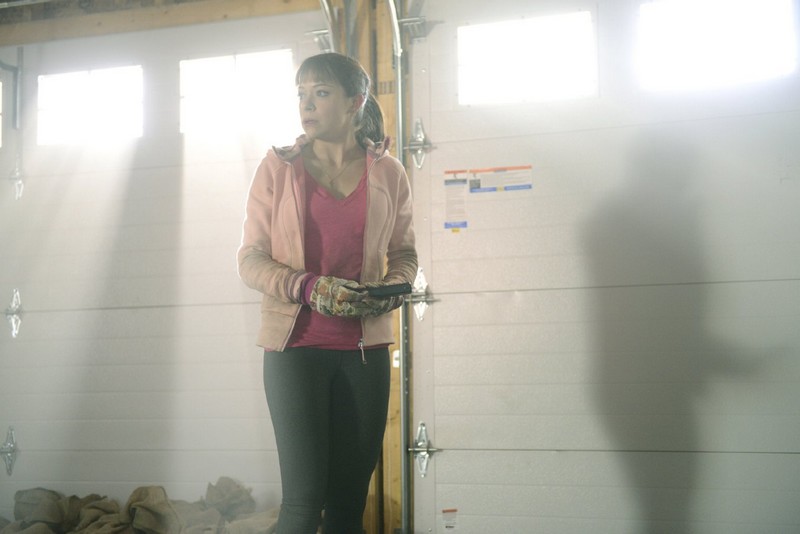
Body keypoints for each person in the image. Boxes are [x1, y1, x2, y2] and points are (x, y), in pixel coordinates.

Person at [237, 52, 418, 534]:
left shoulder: (389, 173)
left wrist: (390, 290)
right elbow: (250, 259)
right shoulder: (278, 168)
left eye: (320, 93)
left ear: (355, 102)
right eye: (301, 94)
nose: (307, 104)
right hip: (294, 349)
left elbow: (404, 255)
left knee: (347, 507)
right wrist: (307, 287)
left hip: (365, 354)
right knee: (302, 504)